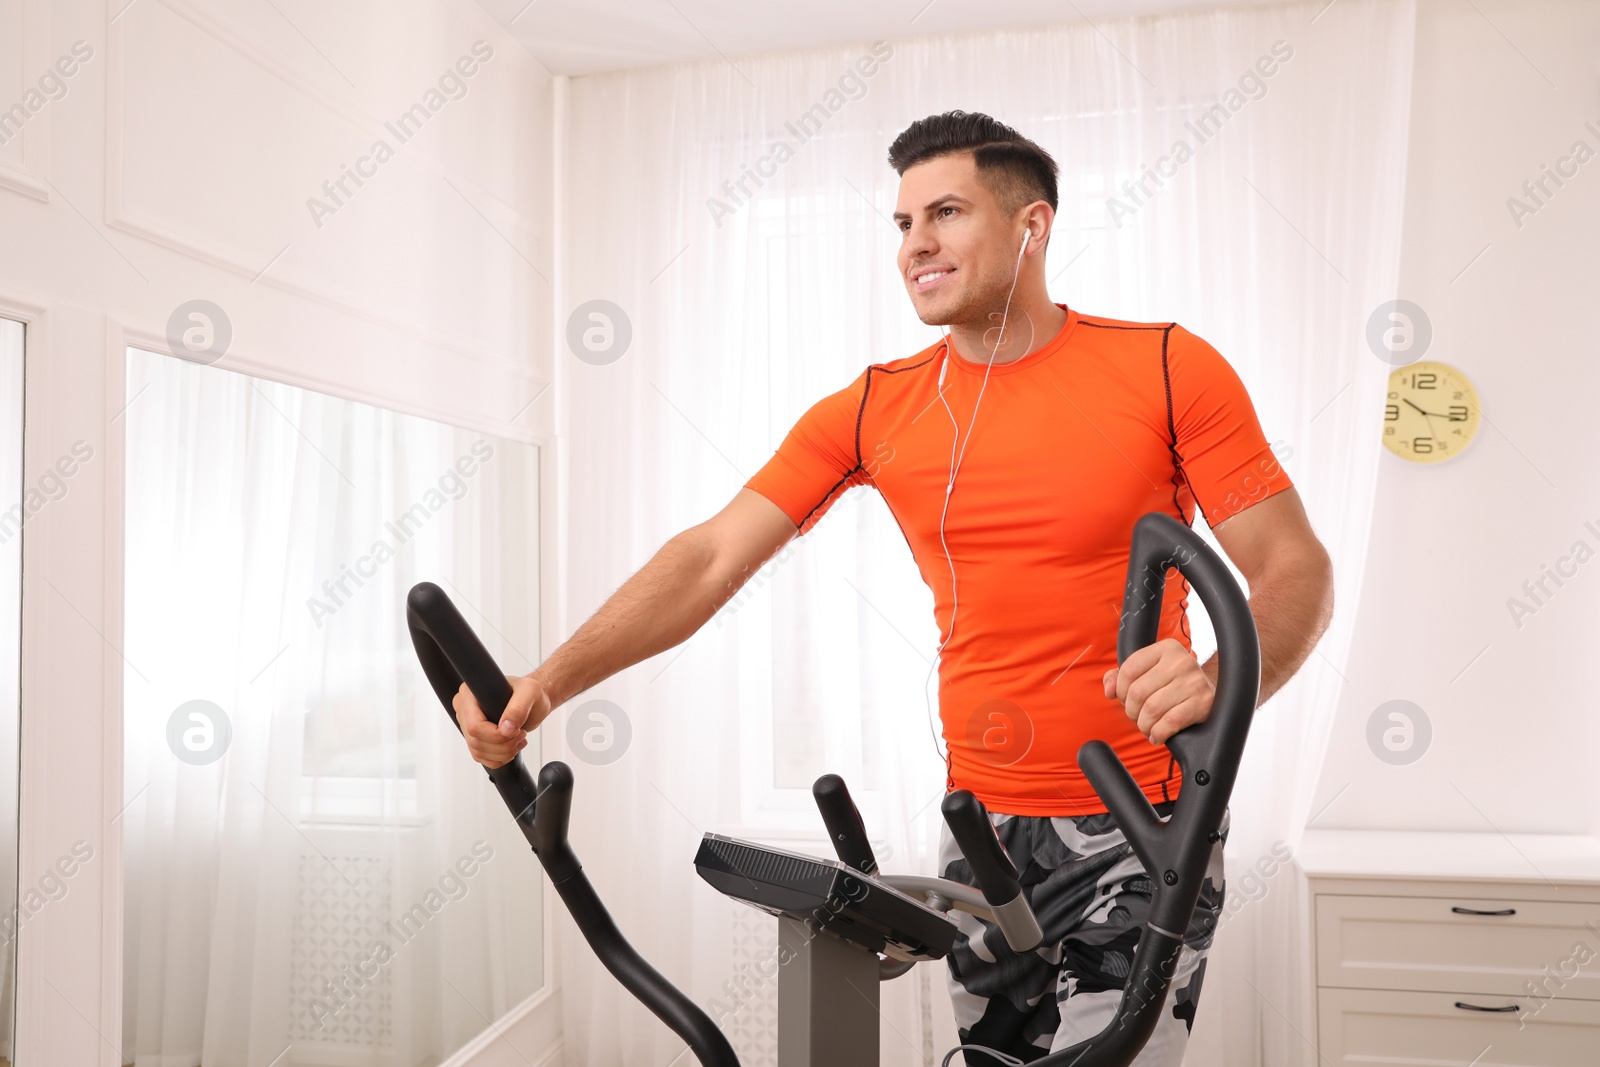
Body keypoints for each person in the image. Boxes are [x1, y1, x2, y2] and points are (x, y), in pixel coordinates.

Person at [452, 110, 1334, 1065]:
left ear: (1031, 225)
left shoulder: (1165, 366)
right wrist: (547, 679)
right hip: (978, 820)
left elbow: (1296, 569)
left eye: (946, 213)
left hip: (1139, 818)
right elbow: (711, 556)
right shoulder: (879, 405)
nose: (916, 244)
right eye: (904, 222)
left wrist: (1216, 677)